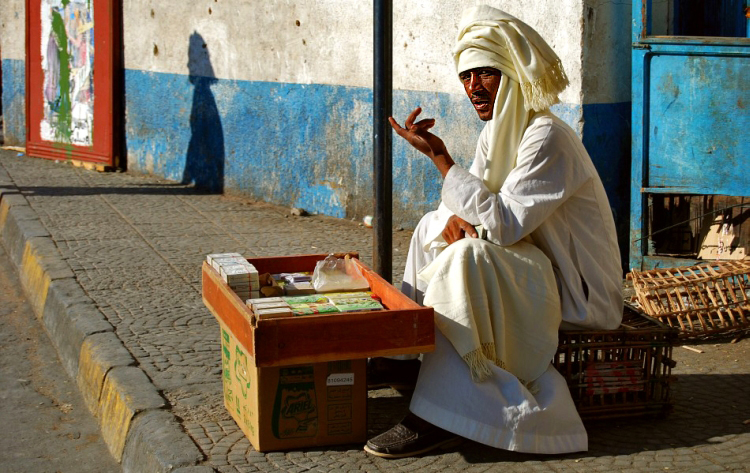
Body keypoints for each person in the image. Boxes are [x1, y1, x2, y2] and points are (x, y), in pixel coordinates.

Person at [364, 5, 623, 459]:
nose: (474, 88)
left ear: (512, 76)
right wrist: (453, 219)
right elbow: (467, 205)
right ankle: (408, 358)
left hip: (577, 293)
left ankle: (438, 413)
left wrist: (441, 159)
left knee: (468, 258)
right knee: (432, 225)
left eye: (487, 73)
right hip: (530, 269)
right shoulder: (497, 134)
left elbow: (502, 225)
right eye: (466, 77)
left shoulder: (547, 137)